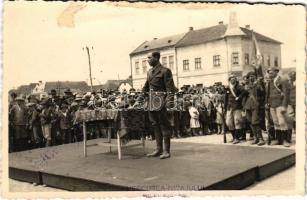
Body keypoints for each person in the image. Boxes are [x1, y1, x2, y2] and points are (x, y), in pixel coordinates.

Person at [143, 51, 176, 159]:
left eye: (149, 57)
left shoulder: (165, 71)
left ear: (156, 58)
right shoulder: (149, 72)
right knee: (155, 126)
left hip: (162, 102)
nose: (147, 60)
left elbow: (170, 89)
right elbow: (146, 88)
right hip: (152, 102)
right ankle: (158, 149)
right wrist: (142, 98)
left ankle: (166, 151)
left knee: (164, 126)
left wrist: (168, 104)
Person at [265, 67, 289, 147]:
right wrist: (267, 103)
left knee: (282, 122)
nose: (270, 74)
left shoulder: (282, 80)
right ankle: (279, 140)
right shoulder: (270, 82)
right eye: (269, 72)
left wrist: (284, 105)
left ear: (276, 72)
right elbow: (268, 94)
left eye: (271, 72)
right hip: (272, 105)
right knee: (275, 122)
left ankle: (285, 140)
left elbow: (285, 94)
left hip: (279, 104)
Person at [224, 74, 247, 144]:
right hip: (229, 107)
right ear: (229, 80)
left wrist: (239, 97)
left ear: (235, 79)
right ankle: (234, 137)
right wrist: (225, 108)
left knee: (237, 122)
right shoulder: (228, 88)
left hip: (237, 106)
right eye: (231, 78)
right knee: (228, 122)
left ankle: (237, 138)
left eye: (233, 78)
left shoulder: (238, 86)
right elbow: (226, 98)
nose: (232, 79)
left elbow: (245, 91)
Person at [285, 70, 296, 146]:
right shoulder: (287, 84)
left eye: (293, 75)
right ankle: (288, 138)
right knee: (289, 121)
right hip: (290, 104)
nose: (291, 77)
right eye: (290, 76)